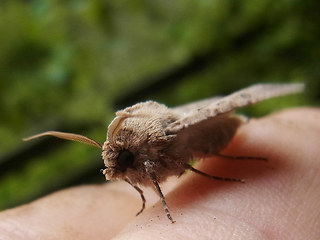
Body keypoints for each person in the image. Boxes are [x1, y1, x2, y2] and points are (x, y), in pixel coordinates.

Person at [0, 108, 319, 239]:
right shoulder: (130, 161)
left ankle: (213, 177)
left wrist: (165, 206)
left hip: (216, 130)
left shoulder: (155, 147)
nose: (115, 170)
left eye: (121, 160)